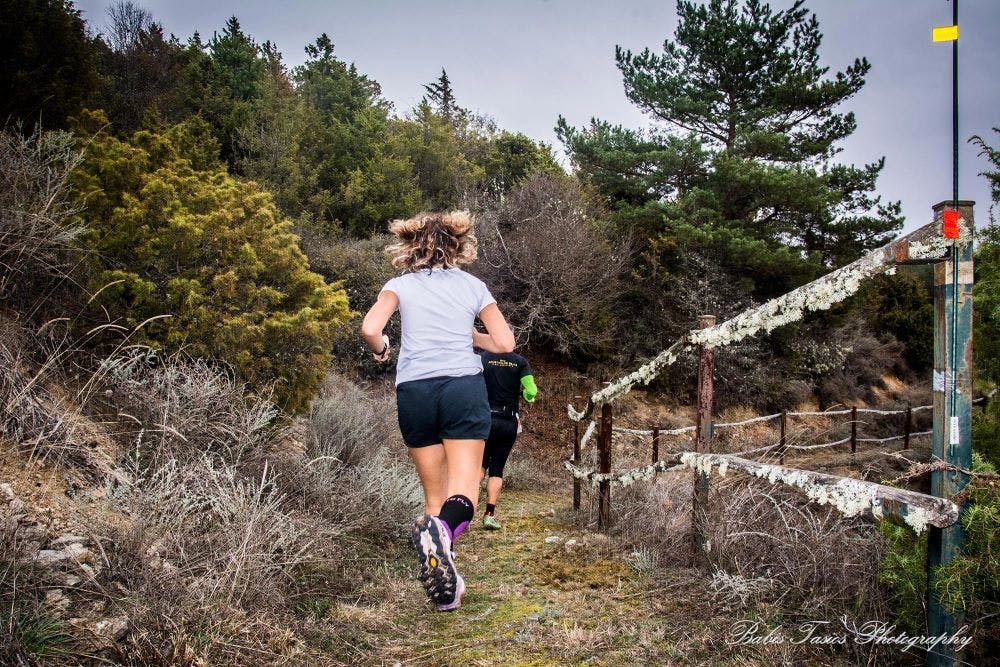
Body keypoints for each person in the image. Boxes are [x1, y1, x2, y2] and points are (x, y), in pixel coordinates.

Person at [360, 210, 514, 613]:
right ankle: (442, 534)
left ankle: (447, 591)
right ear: (458, 245)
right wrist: (469, 335)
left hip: (414, 391)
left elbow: (370, 329)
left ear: (410, 247)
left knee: (434, 496)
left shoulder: (397, 286)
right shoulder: (473, 286)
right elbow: (503, 343)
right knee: (464, 490)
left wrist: (382, 351)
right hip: (461, 388)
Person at [477, 351, 537, 529]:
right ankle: (489, 515)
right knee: (497, 469)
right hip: (507, 421)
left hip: (484, 418)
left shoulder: (482, 358)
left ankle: (465, 513)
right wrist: (528, 396)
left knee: (478, 467)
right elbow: (531, 390)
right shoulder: (520, 361)